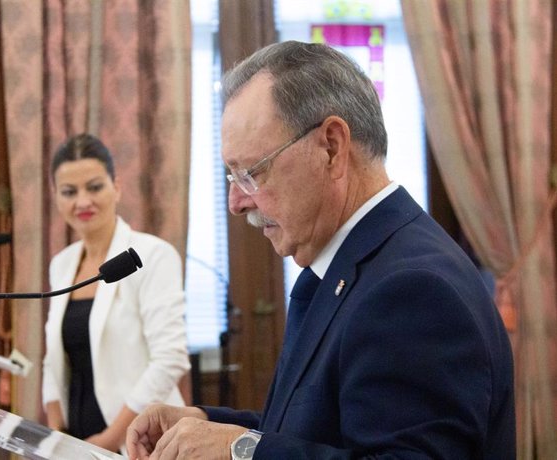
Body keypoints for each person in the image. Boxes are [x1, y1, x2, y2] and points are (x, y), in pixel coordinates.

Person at [125, 41, 515, 459]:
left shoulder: (412, 290)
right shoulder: (350, 265)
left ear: (331, 147)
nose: (237, 202)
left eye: (252, 173)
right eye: (232, 177)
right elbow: (321, 431)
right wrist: (206, 424)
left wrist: (241, 450)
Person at [42, 134, 191, 454]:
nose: (82, 201)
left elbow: (170, 358)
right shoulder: (61, 264)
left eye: (94, 187)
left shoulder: (152, 255)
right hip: (76, 441)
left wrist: (111, 439)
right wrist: (58, 435)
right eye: (69, 192)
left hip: (142, 440)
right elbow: (52, 359)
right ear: (55, 197)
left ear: (117, 187)